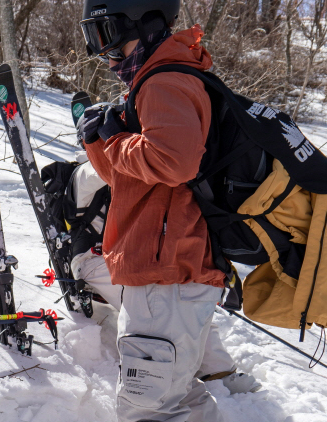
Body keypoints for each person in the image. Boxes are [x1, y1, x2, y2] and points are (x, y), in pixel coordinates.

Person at [75, 0, 256, 422]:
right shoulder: (162, 78)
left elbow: (172, 162)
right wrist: (103, 139)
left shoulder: (166, 79)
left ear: (144, 23)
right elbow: (130, 178)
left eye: (106, 33)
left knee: (147, 401)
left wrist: (113, 136)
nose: (102, 51)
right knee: (174, 384)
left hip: (167, 269)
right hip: (173, 268)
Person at [68, 158, 260, 396]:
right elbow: (116, 167)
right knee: (166, 308)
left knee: (184, 300)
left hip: (137, 259)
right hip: (96, 261)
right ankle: (188, 376)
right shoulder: (89, 170)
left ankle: (217, 371)